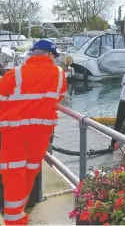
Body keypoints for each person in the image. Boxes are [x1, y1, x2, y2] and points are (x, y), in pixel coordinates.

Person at [0, 39, 67, 225]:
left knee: (13, 172)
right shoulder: (60, 75)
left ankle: (14, 218)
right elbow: (59, 95)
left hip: (13, 132)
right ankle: (18, 212)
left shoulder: (15, 74)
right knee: (30, 170)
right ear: (49, 55)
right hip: (40, 133)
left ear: (34, 53)